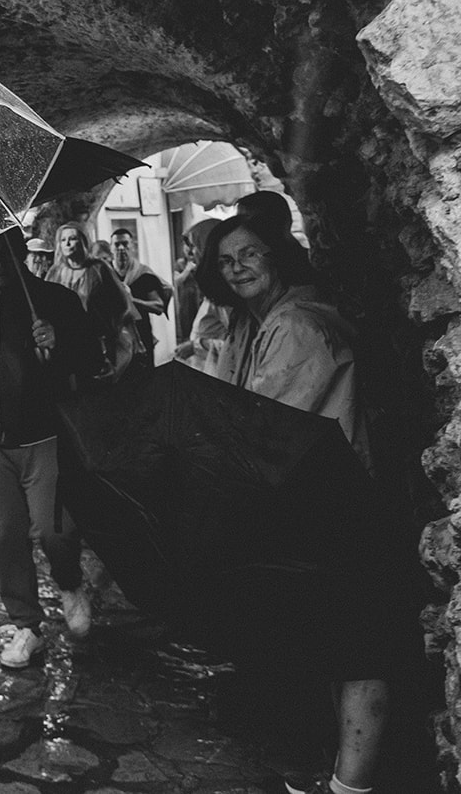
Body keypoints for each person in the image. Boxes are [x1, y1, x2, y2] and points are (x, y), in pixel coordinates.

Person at [194, 213, 386, 794]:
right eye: (226, 261)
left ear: (276, 255)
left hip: (333, 503)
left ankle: (348, 787)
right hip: (307, 504)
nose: (238, 268)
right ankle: (332, 775)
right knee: (330, 644)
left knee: (354, 650)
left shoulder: (295, 327)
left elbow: (261, 426)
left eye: (249, 254)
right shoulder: (256, 325)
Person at [0, 229, 101, 668]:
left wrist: (60, 341)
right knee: (5, 536)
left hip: (45, 437)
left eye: (6, 253)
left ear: (23, 254)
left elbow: (93, 359)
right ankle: (26, 626)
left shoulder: (56, 302)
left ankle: (69, 580)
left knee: (56, 530)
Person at [46, 221, 135, 380]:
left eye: (72, 238)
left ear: (82, 241)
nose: (67, 243)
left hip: (96, 341)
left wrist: (112, 332)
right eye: (62, 240)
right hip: (65, 341)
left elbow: (122, 304)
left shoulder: (98, 268)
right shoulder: (55, 272)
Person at [109, 226, 172, 369]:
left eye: (125, 244)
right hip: (116, 337)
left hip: (141, 337)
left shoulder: (143, 275)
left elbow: (158, 307)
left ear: (132, 246)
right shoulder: (105, 274)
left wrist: (132, 301)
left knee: (145, 383)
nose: (121, 248)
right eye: (116, 244)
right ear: (110, 248)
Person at [173, 218, 227, 374]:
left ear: (206, 248)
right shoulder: (214, 286)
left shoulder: (223, 291)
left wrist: (195, 345)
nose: (190, 253)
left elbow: (236, 345)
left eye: (194, 246)